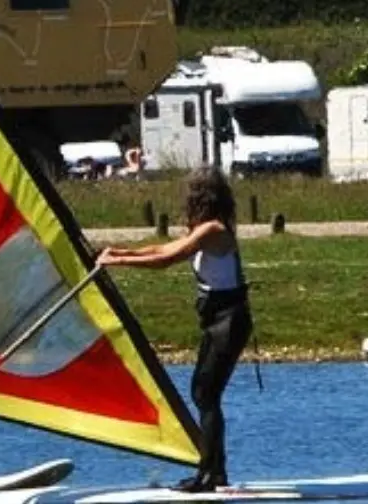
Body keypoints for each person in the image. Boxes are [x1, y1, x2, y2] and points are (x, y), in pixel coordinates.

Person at [96, 166, 253, 492]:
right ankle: (213, 471)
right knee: (204, 392)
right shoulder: (205, 230)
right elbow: (162, 249)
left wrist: (118, 264)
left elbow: (167, 260)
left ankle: (211, 475)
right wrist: (119, 253)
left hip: (230, 320)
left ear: (201, 199)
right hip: (217, 320)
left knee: (205, 393)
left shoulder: (213, 230)